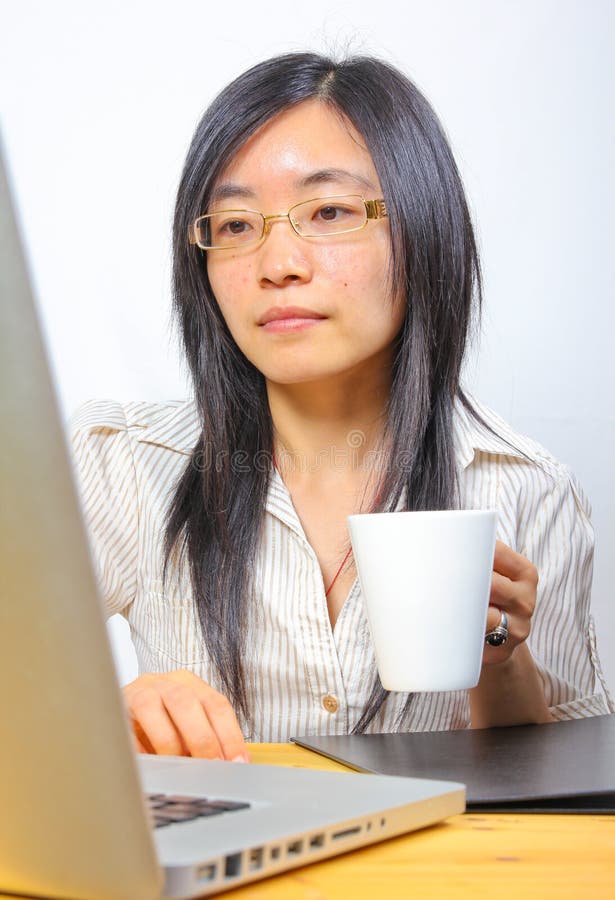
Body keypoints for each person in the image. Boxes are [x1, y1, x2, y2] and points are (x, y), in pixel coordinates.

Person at [71, 52, 613, 762]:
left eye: (327, 211)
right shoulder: (121, 462)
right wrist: (107, 717)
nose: (277, 263)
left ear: (422, 230)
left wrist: (501, 662)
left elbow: (564, 795)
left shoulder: (523, 487)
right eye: (235, 225)